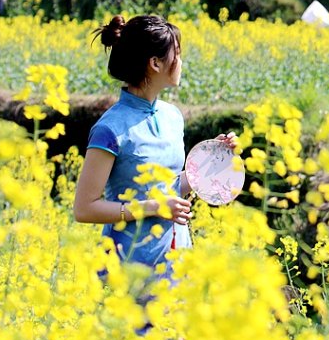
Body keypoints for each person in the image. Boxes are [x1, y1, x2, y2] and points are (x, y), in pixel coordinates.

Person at [74, 14, 232, 277]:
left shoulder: (172, 117)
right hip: (128, 269)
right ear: (155, 63)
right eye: (177, 55)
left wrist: (213, 157)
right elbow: (84, 208)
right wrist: (154, 207)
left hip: (175, 262)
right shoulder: (109, 129)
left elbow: (169, 186)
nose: (180, 62)